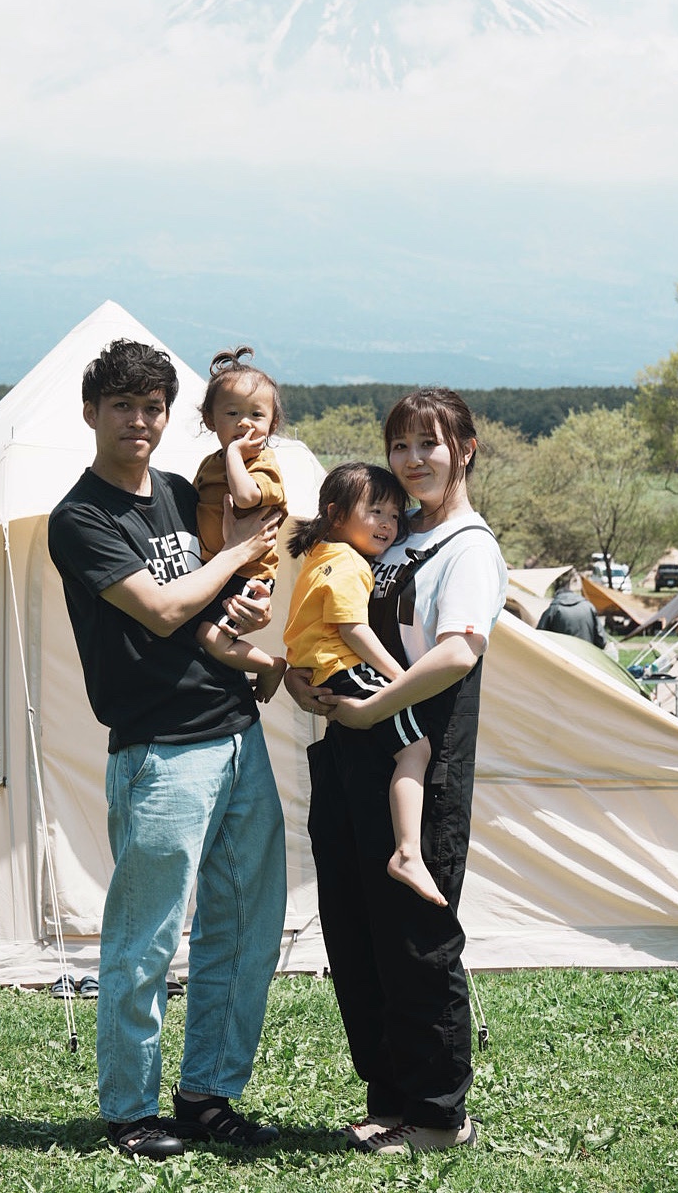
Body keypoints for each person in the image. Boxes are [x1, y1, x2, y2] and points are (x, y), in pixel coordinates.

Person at [47, 338, 288, 1161]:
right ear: (92, 414)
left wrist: (246, 615)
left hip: (236, 733)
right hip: (159, 750)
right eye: (123, 406)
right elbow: (156, 608)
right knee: (147, 936)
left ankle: (206, 1094)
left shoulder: (188, 494)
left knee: (245, 924)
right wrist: (231, 556)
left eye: (153, 407)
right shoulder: (79, 518)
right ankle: (129, 1109)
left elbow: (216, 602)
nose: (140, 421)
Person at [284, 387, 508, 1157]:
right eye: (401, 447)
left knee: (416, 936)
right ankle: (390, 1097)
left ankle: (439, 1112)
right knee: (358, 932)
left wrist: (376, 709)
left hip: (421, 757)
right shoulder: (388, 534)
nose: (413, 462)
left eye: (429, 445)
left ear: (465, 448)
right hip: (350, 753)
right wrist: (300, 680)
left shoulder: (468, 547)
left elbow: (457, 651)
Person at [283, 462, 445, 906]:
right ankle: (408, 852)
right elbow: (352, 628)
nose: (388, 524)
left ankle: (404, 851)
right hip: (343, 666)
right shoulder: (350, 562)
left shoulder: (320, 555)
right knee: (416, 749)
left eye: (394, 515)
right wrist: (402, 677)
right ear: (336, 515)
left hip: (320, 668)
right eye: (376, 512)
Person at [192, 347, 289, 703]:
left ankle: (268, 666)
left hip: (251, 573)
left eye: (256, 415)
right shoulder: (209, 464)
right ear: (210, 420)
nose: (244, 422)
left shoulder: (263, 464)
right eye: (232, 413)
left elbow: (247, 498)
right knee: (201, 635)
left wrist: (235, 454)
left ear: (272, 424)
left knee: (211, 637)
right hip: (215, 569)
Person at [537, 576, 607, 648]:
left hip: (563, 656)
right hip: (586, 656)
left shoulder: (553, 609)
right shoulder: (588, 606)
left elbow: (539, 638)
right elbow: (601, 640)